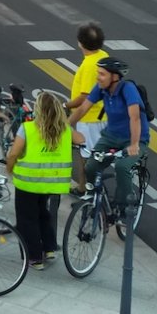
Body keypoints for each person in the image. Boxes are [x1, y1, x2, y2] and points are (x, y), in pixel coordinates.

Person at [67, 57, 150, 215]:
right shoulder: (101, 88)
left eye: (102, 74)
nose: (98, 77)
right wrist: (65, 125)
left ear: (115, 77)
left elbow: (135, 117)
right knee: (91, 166)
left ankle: (125, 207)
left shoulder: (128, 89)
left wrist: (134, 145)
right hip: (110, 137)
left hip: (135, 138)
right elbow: (83, 109)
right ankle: (93, 197)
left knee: (122, 167)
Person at [6, 91, 72, 270]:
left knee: (27, 219)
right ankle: (49, 248)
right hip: (51, 183)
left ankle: (34, 257)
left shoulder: (28, 128)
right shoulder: (64, 130)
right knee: (43, 212)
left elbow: (14, 152)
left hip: (29, 182)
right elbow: (80, 139)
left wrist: (9, 167)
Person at [64, 22, 107, 194]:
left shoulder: (89, 65)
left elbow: (85, 96)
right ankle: (87, 187)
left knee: (85, 157)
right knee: (93, 155)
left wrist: (66, 105)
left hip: (89, 119)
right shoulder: (102, 56)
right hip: (101, 116)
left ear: (80, 43)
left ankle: (85, 189)